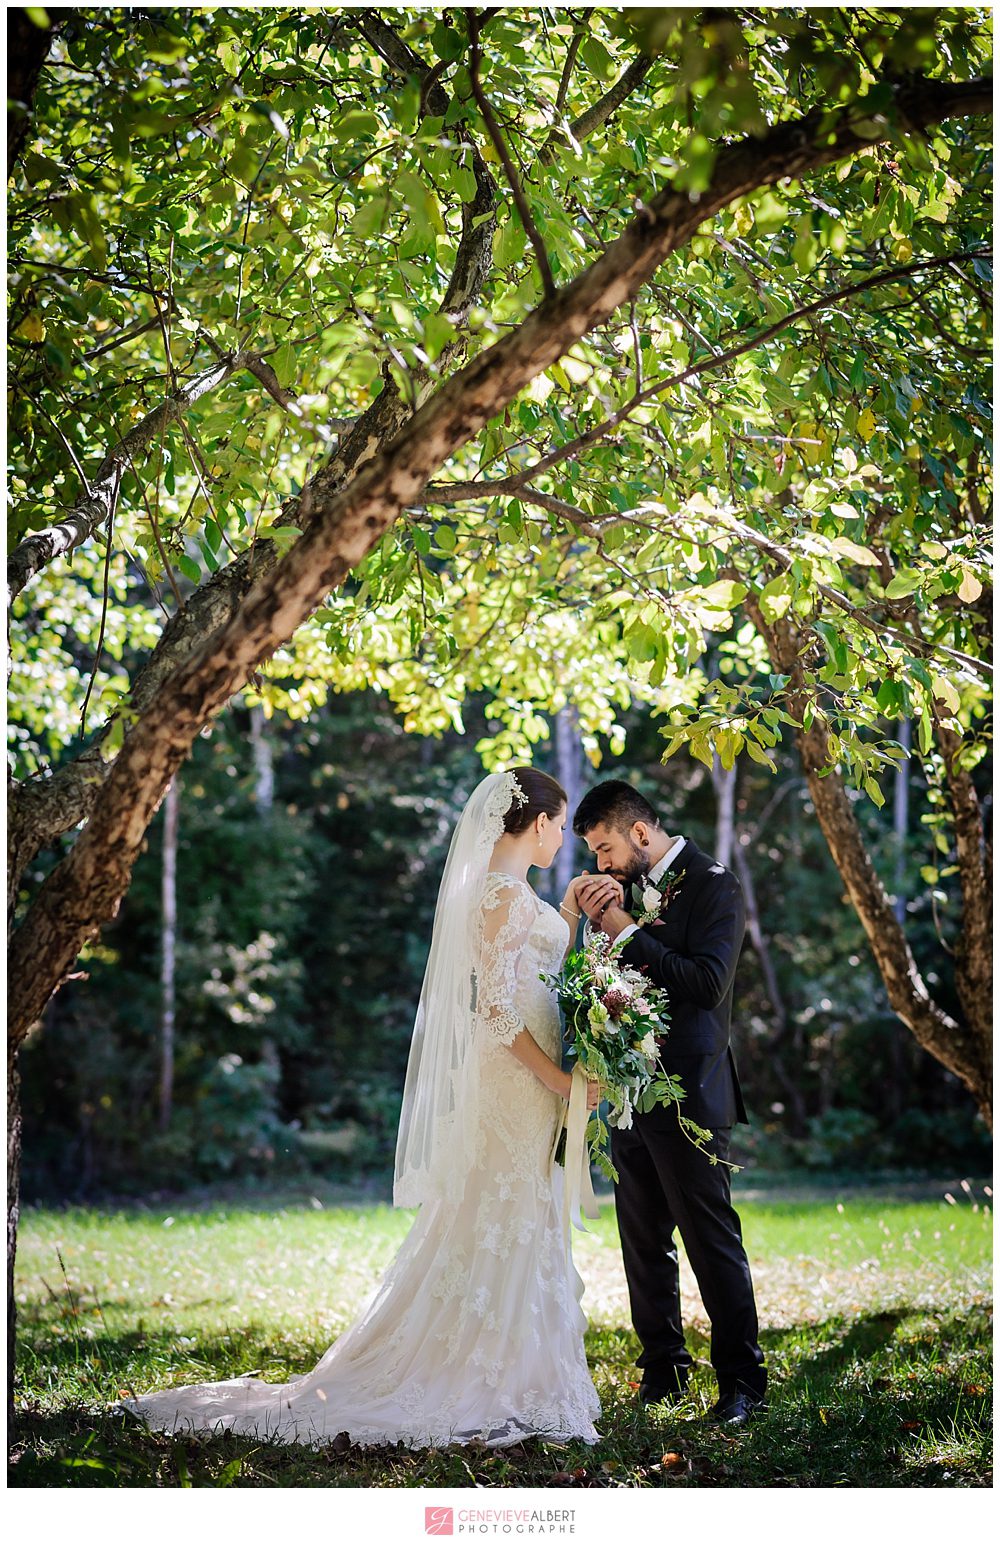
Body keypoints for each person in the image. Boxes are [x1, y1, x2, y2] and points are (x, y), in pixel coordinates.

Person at [122, 768, 601, 1449]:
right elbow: (496, 1011)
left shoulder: (516, 895)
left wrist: (574, 921)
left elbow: (537, 980)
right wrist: (557, 1079)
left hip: (532, 1080)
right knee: (503, 1208)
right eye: (558, 825)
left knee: (520, 1208)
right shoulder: (499, 898)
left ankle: (523, 1367)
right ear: (534, 823)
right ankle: (484, 1372)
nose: (562, 838)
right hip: (517, 1081)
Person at [567, 779, 766, 1428]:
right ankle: (663, 1372)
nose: (601, 865)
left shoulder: (715, 885)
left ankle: (743, 1383)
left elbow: (706, 986)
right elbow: (607, 979)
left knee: (711, 1242)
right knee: (642, 1244)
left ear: (641, 835)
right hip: (628, 1093)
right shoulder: (617, 891)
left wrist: (623, 927)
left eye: (604, 849)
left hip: (691, 1093)